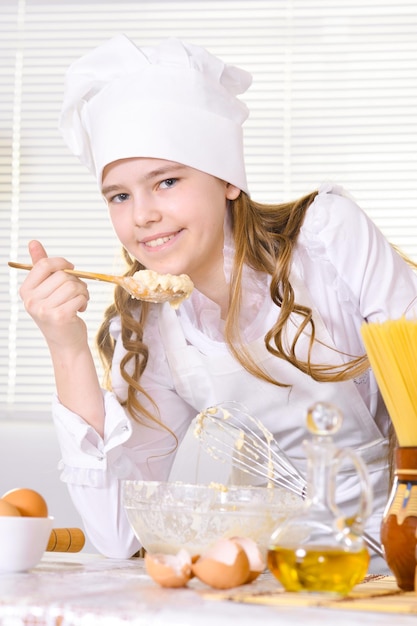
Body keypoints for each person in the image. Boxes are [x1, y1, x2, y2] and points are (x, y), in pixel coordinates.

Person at [19, 34, 417, 573]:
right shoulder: (153, 324)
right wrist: (65, 346)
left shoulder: (326, 238)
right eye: (119, 194)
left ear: (228, 178)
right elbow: (121, 535)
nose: (142, 216)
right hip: (265, 583)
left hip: (393, 563)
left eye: (166, 181)